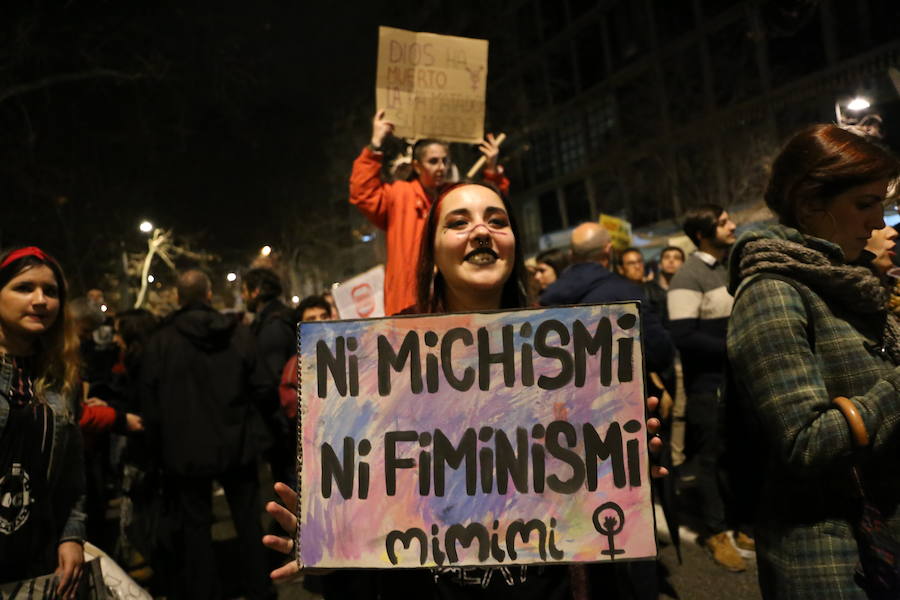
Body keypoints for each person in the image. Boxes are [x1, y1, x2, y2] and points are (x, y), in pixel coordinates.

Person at [264, 183, 668, 599]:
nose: (481, 231)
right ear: (432, 254)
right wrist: (333, 544)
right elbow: (361, 497)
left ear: (514, 245)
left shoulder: (571, 349)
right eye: (459, 223)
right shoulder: (377, 356)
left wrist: (623, 464)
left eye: (497, 221)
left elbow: (591, 494)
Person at [727, 124, 900, 598]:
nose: (879, 222)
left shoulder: (847, 282)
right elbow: (805, 442)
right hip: (834, 562)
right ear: (809, 205)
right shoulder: (772, 293)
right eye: (865, 204)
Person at [140, 269, 274, 600]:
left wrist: (155, 450)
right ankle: (260, 586)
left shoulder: (160, 342)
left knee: (195, 528)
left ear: (177, 298)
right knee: (248, 520)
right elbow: (263, 386)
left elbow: (149, 404)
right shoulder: (237, 334)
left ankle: (205, 591)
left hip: (185, 448)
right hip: (237, 441)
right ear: (209, 294)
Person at [349, 109, 509, 315]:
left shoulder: (455, 195)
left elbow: (493, 208)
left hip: (455, 304)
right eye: (433, 161)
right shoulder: (399, 194)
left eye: (445, 160)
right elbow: (362, 194)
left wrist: (492, 169)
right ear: (416, 165)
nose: (441, 167)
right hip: (408, 304)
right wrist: (375, 144)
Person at [666, 203, 749, 571]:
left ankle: (737, 524)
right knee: (709, 457)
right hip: (707, 384)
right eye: (722, 222)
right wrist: (735, 345)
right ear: (702, 234)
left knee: (736, 453)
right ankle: (715, 533)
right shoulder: (688, 275)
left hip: (735, 381)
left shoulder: (728, 266)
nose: (732, 225)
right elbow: (683, 334)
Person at [0, 247, 86, 598]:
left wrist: (71, 536)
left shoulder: (60, 377)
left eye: (50, 291)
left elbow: (71, 471)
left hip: (37, 560)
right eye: (24, 288)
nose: (40, 301)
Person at [539, 222, 674, 374]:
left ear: (571, 254)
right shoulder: (625, 293)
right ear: (608, 250)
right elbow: (659, 352)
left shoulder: (545, 299)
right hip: (619, 385)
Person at [242, 267, 296, 485]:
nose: (243, 296)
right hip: (288, 425)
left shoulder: (273, 326)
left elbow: (274, 379)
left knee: (290, 482)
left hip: (285, 428)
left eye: (244, 290)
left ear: (256, 291)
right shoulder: (278, 318)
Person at [643, 246, 685, 326]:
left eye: (676, 258)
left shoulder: (688, 289)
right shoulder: (646, 289)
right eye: (666, 257)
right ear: (660, 264)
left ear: (683, 264)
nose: (671, 261)